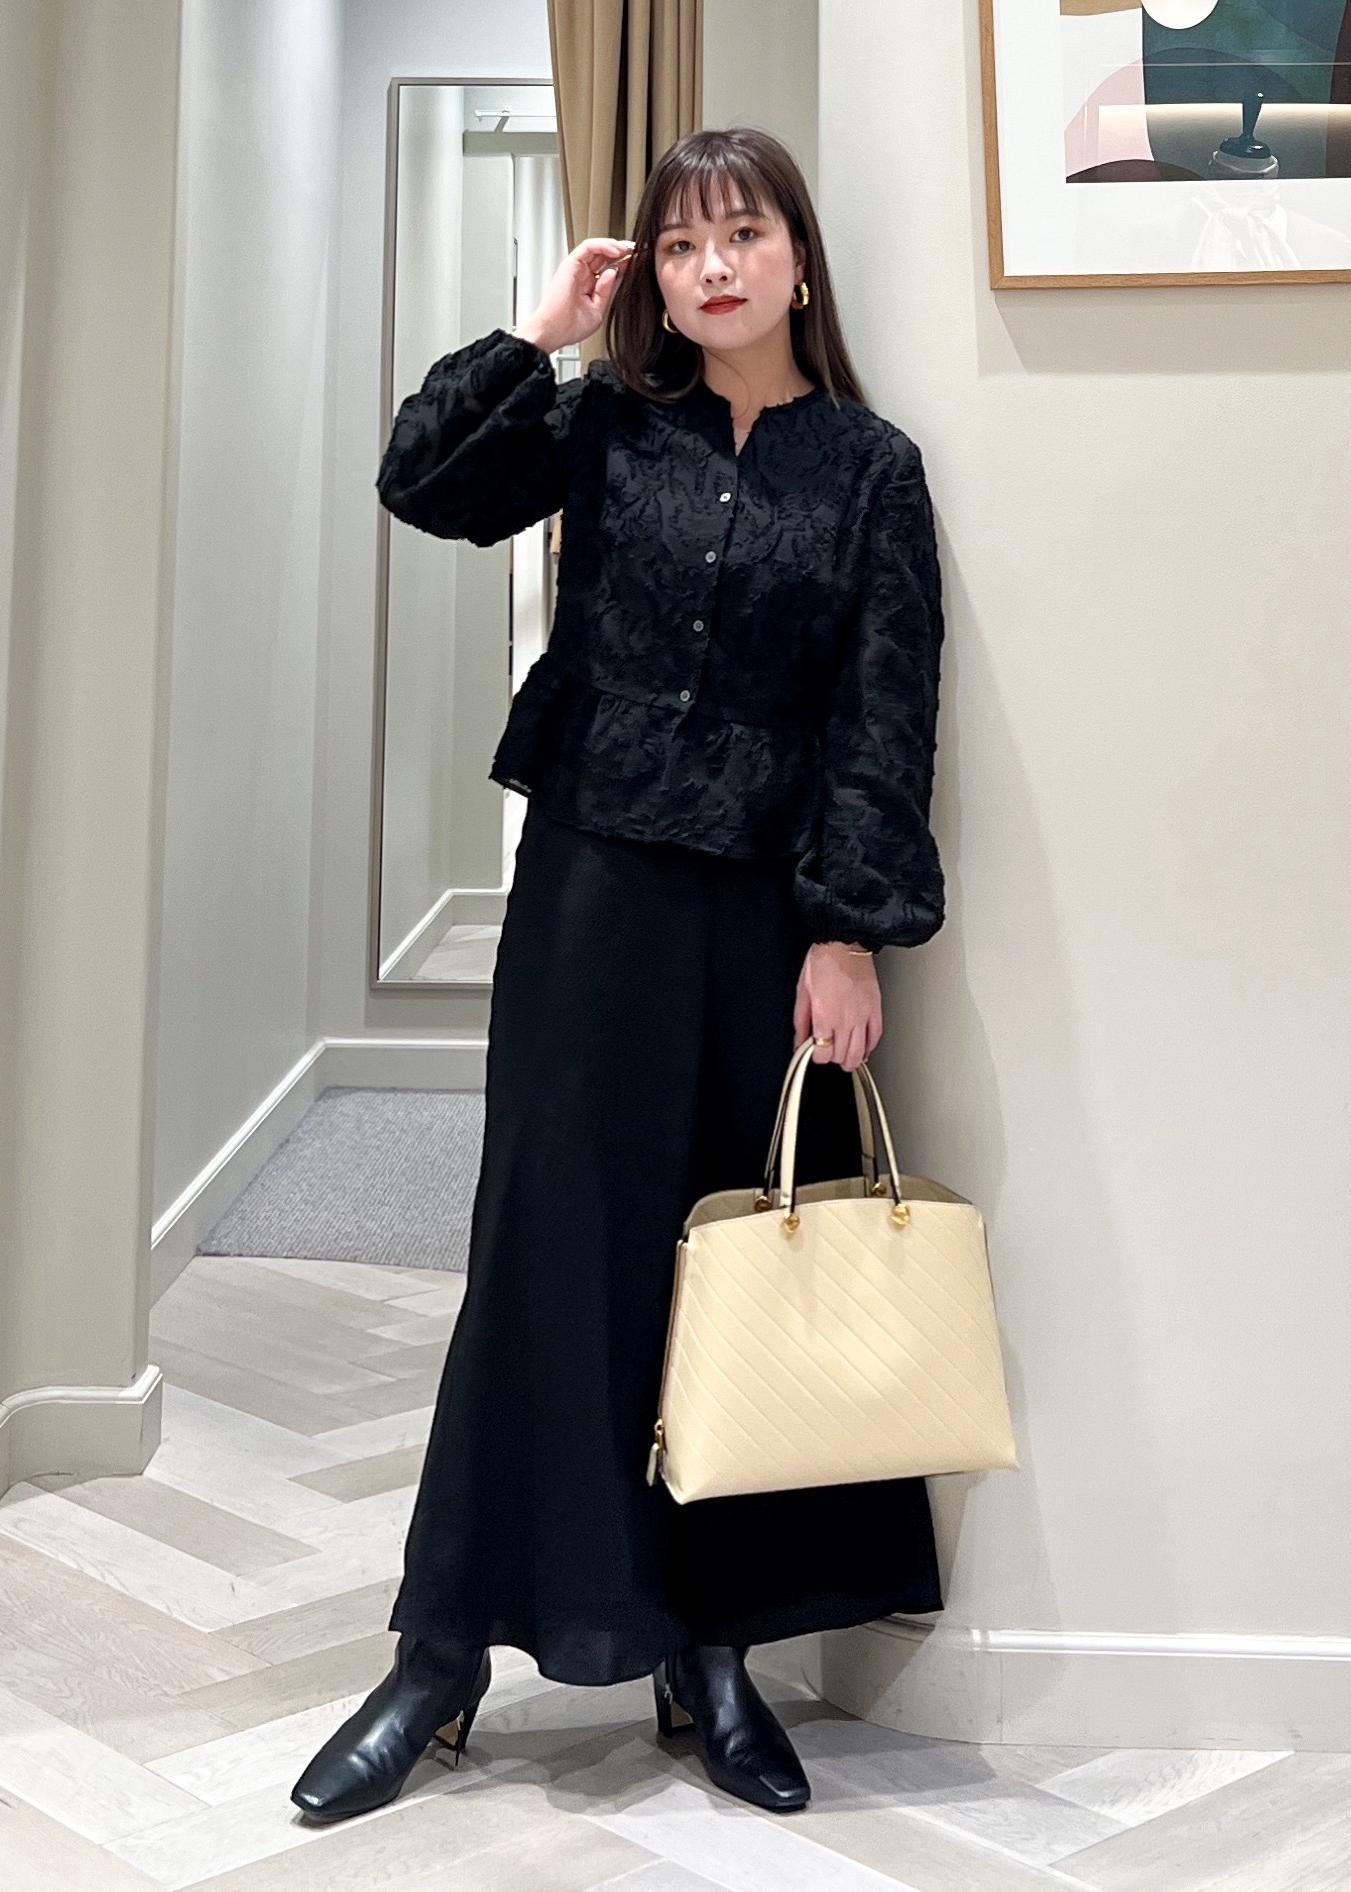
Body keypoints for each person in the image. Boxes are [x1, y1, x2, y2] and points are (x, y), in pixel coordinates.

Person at [292, 125, 947, 1826]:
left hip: (765, 919)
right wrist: (542, 331)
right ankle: (440, 1654)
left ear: (798, 257)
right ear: (649, 272)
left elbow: (884, 715)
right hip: (591, 886)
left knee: (729, 1264)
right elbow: (424, 483)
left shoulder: (871, 471)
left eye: (743, 235)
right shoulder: (604, 424)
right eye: (679, 244)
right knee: (544, 1249)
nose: (712, 267)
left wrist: (849, 930)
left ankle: (710, 1653)